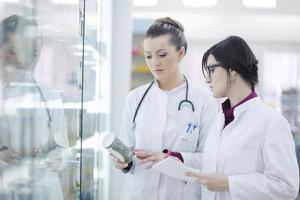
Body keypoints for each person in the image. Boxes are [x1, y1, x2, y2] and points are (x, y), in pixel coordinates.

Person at [111, 17, 218, 200]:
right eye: (148, 56)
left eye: (162, 55)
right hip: (138, 194)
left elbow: (209, 159)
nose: (154, 63)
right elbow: (127, 154)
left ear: (181, 53)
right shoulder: (135, 98)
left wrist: (169, 157)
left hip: (180, 194)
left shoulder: (203, 99)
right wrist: (123, 163)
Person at [186, 36, 299, 200]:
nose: (207, 79)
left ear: (232, 70)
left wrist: (229, 183)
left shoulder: (271, 122)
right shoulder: (220, 120)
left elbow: (287, 187)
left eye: (212, 70)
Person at [0, 15, 69, 199]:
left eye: (34, 51)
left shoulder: (49, 96)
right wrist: (3, 156)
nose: (25, 60)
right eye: (15, 51)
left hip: (44, 191)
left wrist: (55, 158)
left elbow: (62, 149)